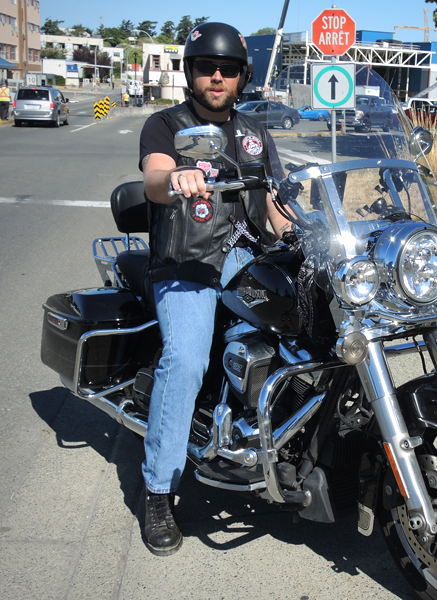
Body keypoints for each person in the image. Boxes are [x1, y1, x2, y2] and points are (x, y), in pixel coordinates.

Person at [137, 21, 291, 557]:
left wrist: (304, 227)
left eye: (227, 68)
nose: (217, 76)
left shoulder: (255, 132)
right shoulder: (166, 126)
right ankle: (159, 490)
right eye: (207, 67)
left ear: (243, 76)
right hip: (187, 264)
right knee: (186, 356)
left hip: (247, 258)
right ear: (191, 73)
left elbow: (274, 204)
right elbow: (155, 179)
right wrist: (174, 178)